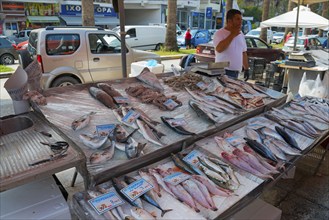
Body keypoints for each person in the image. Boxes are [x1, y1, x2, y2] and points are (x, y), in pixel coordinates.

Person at [213, 9, 249, 80]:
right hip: (222, 71)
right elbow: (219, 49)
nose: (240, 22)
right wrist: (232, 34)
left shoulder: (241, 34)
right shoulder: (219, 33)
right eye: (238, 19)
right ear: (229, 21)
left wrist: (246, 69)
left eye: (241, 19)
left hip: (236, 72)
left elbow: (243, 52)